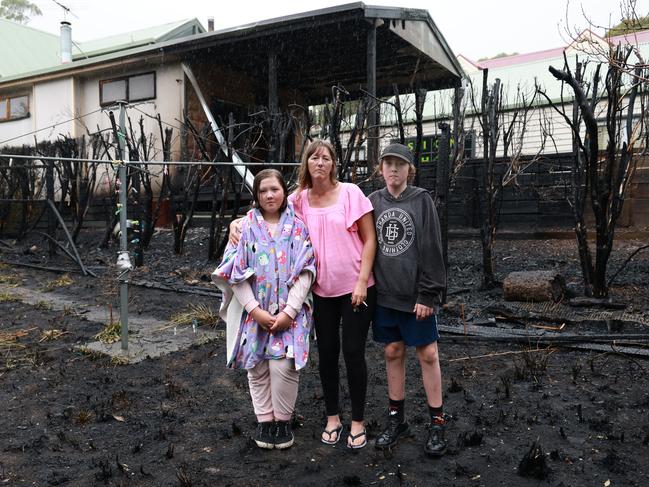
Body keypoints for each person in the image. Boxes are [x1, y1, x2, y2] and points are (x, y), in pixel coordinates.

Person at [230, 139, 377, 449]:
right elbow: (267, 205)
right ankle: (333, 417)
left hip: (356, 290)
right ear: (306, 164)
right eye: (314, 158)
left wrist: (363, 281)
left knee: (352, 352)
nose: (320, 163)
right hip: (321, 291)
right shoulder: (298, 199)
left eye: (326, 158)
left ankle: (358, 421)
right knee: (326, 354)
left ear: (334, 163)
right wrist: (237, 222)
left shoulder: (351, 193)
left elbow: (370, 239)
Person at [213, 169, 316, 450]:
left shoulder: (298, 226)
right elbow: (234, 271)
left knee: (284, 364)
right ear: (256, 196)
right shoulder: (245, 228)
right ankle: (264, 421)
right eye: (263, 190)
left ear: (285, 192)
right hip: (254, 313)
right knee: (257, 365)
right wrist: (254, 309)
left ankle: (283, 421)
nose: (269, 195)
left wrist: (290, 312)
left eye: (275, 189)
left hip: (289, 315)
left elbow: (306, 270)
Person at [368, 143, 448, 457]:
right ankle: (396, 419)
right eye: (388, 164)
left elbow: (432, 247)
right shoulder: (372, 201)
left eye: (400, 164)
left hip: (417, 298)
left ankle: (437, 422)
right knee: (392, 351)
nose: (393, 170)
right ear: (381, 168)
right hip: (386, 296)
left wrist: (429, 293)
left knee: (428, 354)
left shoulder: (421, 200)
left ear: (409, 170)